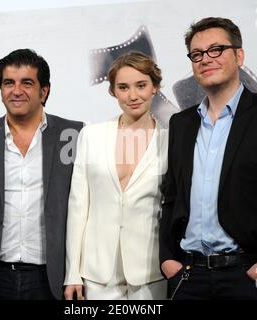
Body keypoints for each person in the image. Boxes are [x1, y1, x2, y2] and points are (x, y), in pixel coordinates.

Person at [159, 17, 257, 300]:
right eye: (197, 54)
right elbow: (171, 198)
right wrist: (168, 259)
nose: (206, 59)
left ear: (239, 55)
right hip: (189, 275)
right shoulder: (181, 123)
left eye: (216, 49)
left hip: (249, 273)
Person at [0, 48, 83, 300]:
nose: (16, 91)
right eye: (8, 83)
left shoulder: (73, 134)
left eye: (27, 82)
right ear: (1, 89)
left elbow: (85, 204)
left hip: (53, 276)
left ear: (44, 90)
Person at [64, 51, 168, 300]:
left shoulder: (170, 140)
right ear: (113, 91)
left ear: (155, 87)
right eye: (123, 87)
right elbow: (78, 208)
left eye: (141, 85)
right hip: (97, 272)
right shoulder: (91, 135)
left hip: (150, 271)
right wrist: (72, 273)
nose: (133, 96)